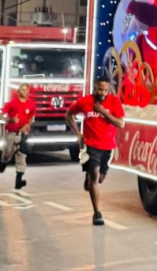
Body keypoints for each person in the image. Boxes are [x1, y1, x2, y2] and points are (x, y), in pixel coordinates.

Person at [66, 76, 125, 226]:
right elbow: (68, 114)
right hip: (90, 145)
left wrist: (104, 112)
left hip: (107, 146)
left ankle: (90, 180)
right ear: (95, 87)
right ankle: (97, 213)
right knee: (95, 175)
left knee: (100, 179)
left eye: (105, 90)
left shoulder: (114, 101)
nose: (102, 92)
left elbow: (121, 124)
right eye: (100, 89)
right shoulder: (85, 101)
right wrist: (77, 133)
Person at [0, 84, 36, 189]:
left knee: (22, 155)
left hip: (23, 134)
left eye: (26, 90)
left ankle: (18, 180)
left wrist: (27, 125)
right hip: (11, 133)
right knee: (7, 152)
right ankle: (3, 161)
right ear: (18, 91)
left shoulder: (31, 105)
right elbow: (2, 115)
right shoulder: (12, 103)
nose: (24, 92)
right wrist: (11, 120)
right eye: (22, 90)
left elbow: (31, 118)